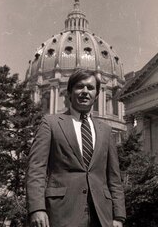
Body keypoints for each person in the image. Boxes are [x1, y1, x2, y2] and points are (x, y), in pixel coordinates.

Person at [26, 69, 126, 227]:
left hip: (101, 216)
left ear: (97, 94)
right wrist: (37, 208)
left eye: (90, 88)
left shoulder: (105, 131)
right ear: (69, 92)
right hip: (61, 213)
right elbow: (36, 169)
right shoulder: (50, 123)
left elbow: (114, 178)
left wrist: (119, 216)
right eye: (80, 87)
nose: (85, 92)